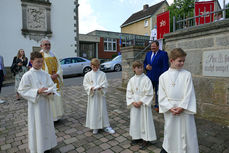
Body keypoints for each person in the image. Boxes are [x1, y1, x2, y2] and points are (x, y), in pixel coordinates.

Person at [158, 48, 199, 153]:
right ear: (172, 60)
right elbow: (161, 96)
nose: (182, 63)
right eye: (179, 61)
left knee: (187, 132)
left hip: (184, 109)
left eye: (183, 61)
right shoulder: (163, 77)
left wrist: (182, 107)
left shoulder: (187, 74)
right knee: (171, 132)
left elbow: (189, 92)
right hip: (170, 110)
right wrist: (170, 108)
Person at [18, 51, 57, 153]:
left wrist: (51, 92)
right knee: (37, 126)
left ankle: (47, 145)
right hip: (36, 106)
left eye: (41, 62)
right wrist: (37, 91)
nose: (40, 64)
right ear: (31, 61)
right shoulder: (27, 75)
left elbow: (51, 85)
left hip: (46, 104)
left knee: (47, 124)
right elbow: (22, 90)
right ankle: (38, 147)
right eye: (37, 62)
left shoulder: (45, 74)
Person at [126, 61, 157, 150]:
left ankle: (145, 139)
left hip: (143, 105)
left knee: (144, 121)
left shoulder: (146, 79)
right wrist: (132, 101)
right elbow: (129, 92)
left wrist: (141, 101)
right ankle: (136, 136)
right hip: (135, 104)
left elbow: (149, 93)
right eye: (138, 67)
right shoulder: (131, 80)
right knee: (135, 121)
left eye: (141, 67)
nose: (140, 69)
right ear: (134, 69)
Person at [83, 58, 115, 134]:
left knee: (102, 109)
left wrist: (101, 87)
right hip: (93, 96)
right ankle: (95, 126)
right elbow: (85, 84)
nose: (95, 68)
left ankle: (106, 126)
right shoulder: (87, 75)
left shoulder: (102, 74)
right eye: (94, 66)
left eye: (97, 66)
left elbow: (105, 83)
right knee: (94, 110)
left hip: (100, 95)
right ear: (91, 65)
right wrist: (91, 88)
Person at [40, 40, 64, 121]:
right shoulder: (40, 55)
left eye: (49, 44)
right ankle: (50, 118)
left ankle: (57, 116)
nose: (47, 46)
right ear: (41, 46)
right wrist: (50, 76)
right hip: (46, 81)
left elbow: (59, 66)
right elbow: (40, 68)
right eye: (45, 44)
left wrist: (57, 74)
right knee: (49, 97)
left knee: (56, 97)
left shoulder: (53, 54)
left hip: (55, 79)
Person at [143, 40, 169, 112]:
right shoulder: (148, 54)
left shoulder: (163, 54)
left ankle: (157, 105)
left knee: (158, 93)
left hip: (159, 77)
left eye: (154, 46)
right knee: (148, 91)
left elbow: (165, 67)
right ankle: (147, 103)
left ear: (158, 46)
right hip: (149, 77)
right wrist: (146, 66)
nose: (152, 48)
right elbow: (144, 63)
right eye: (151, 46)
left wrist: (163, 77)